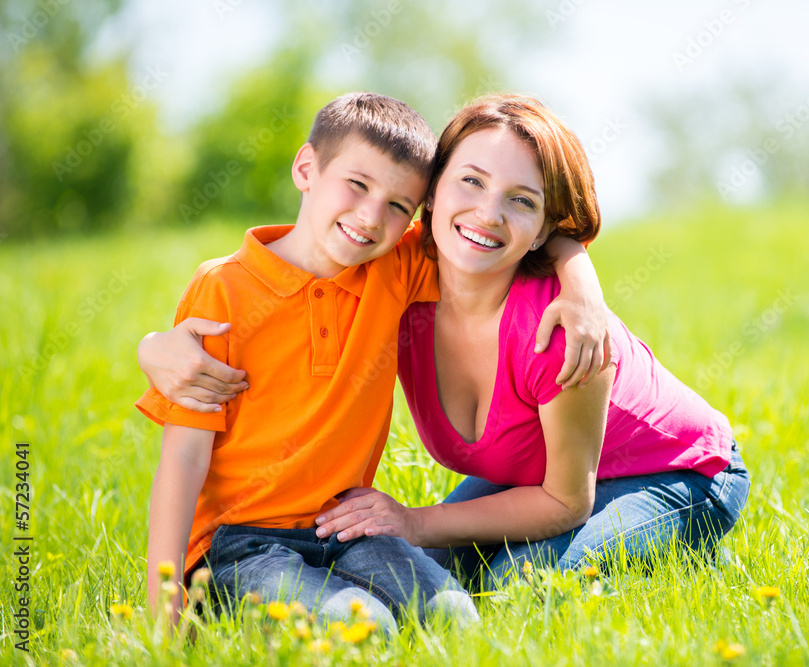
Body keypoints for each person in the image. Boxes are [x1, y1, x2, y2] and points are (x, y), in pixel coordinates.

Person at [139, 95, 749, 591]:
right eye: (471, 182)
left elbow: (566, 500)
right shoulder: (397, 271)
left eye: (521, 201)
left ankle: (682, 555)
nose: (486, 214)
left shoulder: (561, 331)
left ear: (542, 228)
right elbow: (276, 281)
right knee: (448, 577)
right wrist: (153, 347)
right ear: (431, 197)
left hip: (676, 472)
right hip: (532, 478)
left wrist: (413, 521)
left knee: (520, 588)